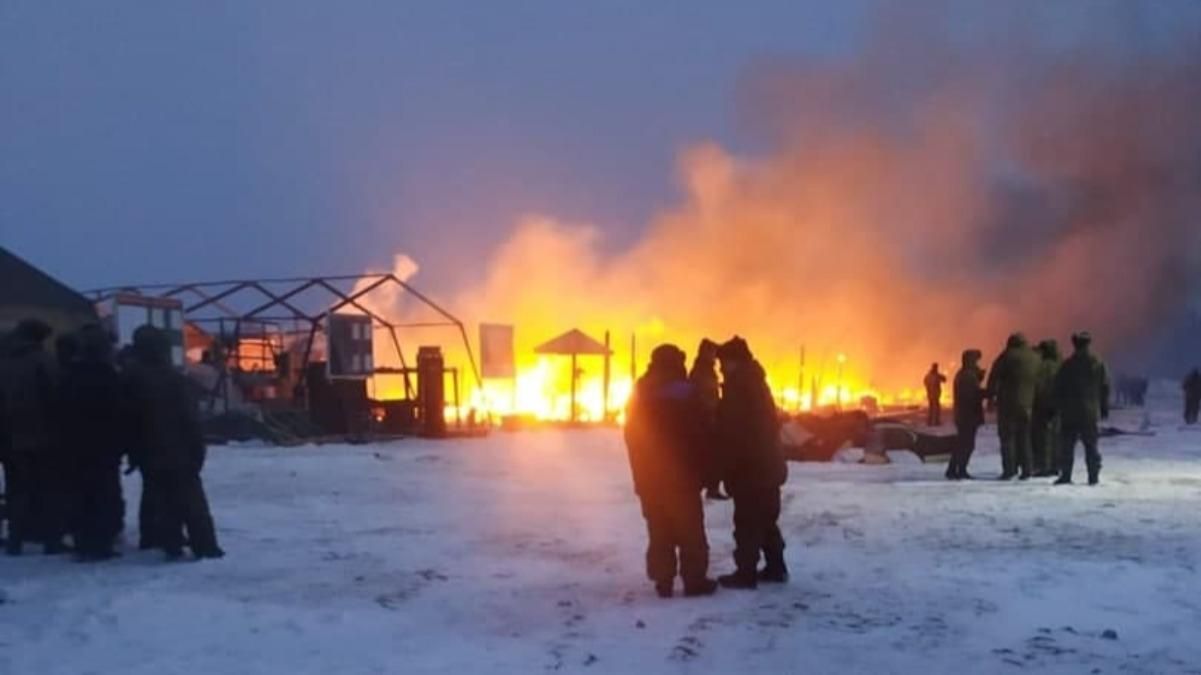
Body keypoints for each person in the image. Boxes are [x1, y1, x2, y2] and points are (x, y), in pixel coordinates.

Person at [625, 344, 717, 598]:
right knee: (690, 530)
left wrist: (640, 473)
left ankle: (663, 581)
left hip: (649, 476)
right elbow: (702, 433)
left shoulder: (640, 391)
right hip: (683, 475)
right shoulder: (687, 392)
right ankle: (694, 580)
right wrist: (706, 471)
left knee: (659, 529)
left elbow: (631, 435)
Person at [124, 325, 224, 560]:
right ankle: (204, 546)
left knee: (159, 496)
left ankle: (168, 541)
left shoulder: (131, 379)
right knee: (192, 500)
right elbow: (189, 419)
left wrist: (133, 450)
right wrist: (197, 450)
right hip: (177, 449)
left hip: (149, 449)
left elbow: (128, 417)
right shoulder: (173, 380)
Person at [714, 337, 787, 589]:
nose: (720, 368)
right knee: (766, 519)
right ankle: (776, 568)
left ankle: (745, 573)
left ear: (733, 361)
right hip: (767, 464)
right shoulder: (755, 382)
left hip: (751, 468)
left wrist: (729, 465)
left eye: (723, 363)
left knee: (747, 521)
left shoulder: (740, 388)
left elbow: (734, 432)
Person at [59, 325, 127, 560]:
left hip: (75, 445)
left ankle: (83, 540)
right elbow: (118, 412)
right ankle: (100, 541)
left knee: (80, 493)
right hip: (103, 446)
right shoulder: (108, 376)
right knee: (103, 493)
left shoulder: (69, 375)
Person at [0, 319, 65, 555]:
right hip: (43, 434)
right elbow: (56, 395)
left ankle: (15, 539)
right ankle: (51, 539)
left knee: (17, 489)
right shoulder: (42, 360)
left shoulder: (5, 361)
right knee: (48, 488)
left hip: (11, 436)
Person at [1054, 332, 1110, 486]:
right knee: (1091, 445)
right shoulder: (1098, 363)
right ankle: (1093, 476)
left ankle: (1066, 475)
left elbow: (1058, 387)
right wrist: (1104, 408)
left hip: (1070, 412)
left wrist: (1058, 406)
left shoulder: (1068, 364)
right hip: (1090, 412)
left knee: (1067, 446)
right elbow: (1105, 387)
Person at [986, 333, 1040, 480]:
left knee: (1007, 438)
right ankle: (1027, 469)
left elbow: (994, 377)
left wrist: (990, 398)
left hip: (1007, 404)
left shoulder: (1006, 356)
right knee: (1025, 437)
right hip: (1027, 404)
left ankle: (1010, 470)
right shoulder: (1035, 358)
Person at [689, 338, 728, 501]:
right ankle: (707, 487)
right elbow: (702, 395)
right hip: (705, 420)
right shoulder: (701, 370)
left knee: (713, 456)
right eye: (713, 353)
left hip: (709, 419)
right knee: (708, 456)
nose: (715, 357)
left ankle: (712, 487)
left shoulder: (707, 370)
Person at [946, 349, 986, 480]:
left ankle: (952, 469)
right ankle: (960, 469)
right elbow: (973, 394)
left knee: (961, 443)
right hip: (967, 415)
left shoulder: (964, 374)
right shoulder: (967, 376)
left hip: (964, 415)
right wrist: (989, 392)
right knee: (966, 444)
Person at [1030, 340, 1062, 477]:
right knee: (1056, 437)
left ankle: (1044, 466)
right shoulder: (1061, 365)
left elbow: (1039, 387)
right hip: (1058, 407)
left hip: (1043, 406)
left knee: (1043, 438)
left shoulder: (1042, 367)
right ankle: (1055, 465)